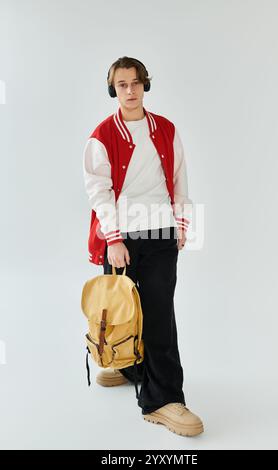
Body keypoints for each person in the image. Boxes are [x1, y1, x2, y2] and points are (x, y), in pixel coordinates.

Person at [83, 56, 204, 437]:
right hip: (122, 236)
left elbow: (180, 178)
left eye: (136, 83)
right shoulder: (102, 136)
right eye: (122, 85)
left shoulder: (166, 128)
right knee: (122, 313)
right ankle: (129, 367)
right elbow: (98, 193)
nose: (130, 91)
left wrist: (184, 225)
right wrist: (114, 239)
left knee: (158, 317)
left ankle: (163, 400)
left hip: (161, 231)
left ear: (145, 85)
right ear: (112, 89)